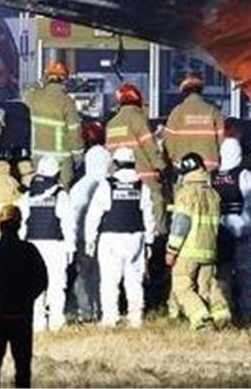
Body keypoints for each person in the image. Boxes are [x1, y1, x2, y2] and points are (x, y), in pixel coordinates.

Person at [0, 205, 48, 389]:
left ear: (0, 225)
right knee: (22, 367)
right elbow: (42, 280)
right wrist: (27, 297)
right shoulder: (29, 250)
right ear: (19, 225)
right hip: (22, 316)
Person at [84, 147, 156, 327]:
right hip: (136, 238)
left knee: (109, 280)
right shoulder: (141, 186)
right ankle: (135, 317)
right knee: (134, 280)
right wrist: (149, 243)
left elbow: (94, 215)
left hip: (111, 239)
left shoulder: (107, 185)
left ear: (115, 164)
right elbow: (149, 216)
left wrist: (90, 239)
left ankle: (110, 317)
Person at [167, 153, 231, 329]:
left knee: (183, 287)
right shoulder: (213, 194)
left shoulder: (185, 193)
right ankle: (221, 315)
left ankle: (201, 319)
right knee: (206, 288)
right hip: (209, 250)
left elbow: (181, 224)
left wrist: (172, 250)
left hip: (188, 251)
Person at [18, 156, 75, 332]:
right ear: (56, 173)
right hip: (55, 245)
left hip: (32, 245)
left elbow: (20, 224)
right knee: (56, 284)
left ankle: (37, 323)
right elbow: (68, 223)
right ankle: (56, 322)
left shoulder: (28, 195)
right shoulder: (60, 194)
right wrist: (70, 247)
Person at [105, 83, 168, 232]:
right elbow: (149, 147)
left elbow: (110, 151)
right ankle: (158, 237)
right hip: (143, 173)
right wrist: (161, 167)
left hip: (118, 175)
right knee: (155, 204)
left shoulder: (112, 124)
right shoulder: (138, 118)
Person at [68, 121, 110, 322]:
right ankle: (103, 311)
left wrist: (72, 241)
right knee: (107, 277)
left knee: (84, 276)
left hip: (85, 240)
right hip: (111, 239)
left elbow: (73, 216)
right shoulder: (115, 184)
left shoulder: (79, 187)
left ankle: (86, 312)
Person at [213, 136, 251, 324]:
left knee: (222, 275)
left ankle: (225, 313)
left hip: (219, 230)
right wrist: (244, 226)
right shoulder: (244, 174)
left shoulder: (213, 175)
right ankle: (249, 314)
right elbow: (250, 203)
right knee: (246, 274)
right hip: (240, 230)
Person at [23, 60, 82, 187]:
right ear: (64, 80)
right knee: (63, 193)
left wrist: (40, 83)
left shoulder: (34, 97)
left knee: (38, 191)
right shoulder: (67, 102)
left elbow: (26, 91)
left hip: (38, 155)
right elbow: (74, 131)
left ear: (46, 77)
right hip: (62, 158)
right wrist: (78, 155)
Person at [163, 72, 224, 169]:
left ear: (183, 92)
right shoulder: (213, 111)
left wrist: (173, 160)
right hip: (209, 166)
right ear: (201, 90)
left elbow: (169, 142)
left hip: (184, 165)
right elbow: (222, 140)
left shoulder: (177, 112)